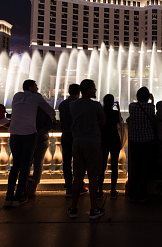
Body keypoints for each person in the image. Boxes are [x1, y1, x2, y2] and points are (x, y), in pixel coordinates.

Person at [5, 80, 56, 208]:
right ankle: (19, 196)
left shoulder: (17, 96)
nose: (37, 88)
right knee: (25, 165)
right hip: (29, 133)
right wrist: (53, 117)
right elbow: (50, 110)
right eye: (35, 86)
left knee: (15, 165)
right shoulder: (35, 98)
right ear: (30, 87)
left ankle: (8, 197)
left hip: (14, 133)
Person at [67, 79, 106, 220]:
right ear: (88, 89)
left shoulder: (73, 104)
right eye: (94, 88)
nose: (95, 90)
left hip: (77, 142)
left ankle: (73, 208)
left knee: (77, 176)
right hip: (92, 142)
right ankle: (94, 209)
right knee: (93, 176)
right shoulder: (95, 105)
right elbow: (103, 121)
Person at [127, 87, 155, 203]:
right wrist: (152, 101)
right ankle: (142, 193)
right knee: (144, 168)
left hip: (134, 141)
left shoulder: (131, 107)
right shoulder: (151, 107)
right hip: (147, 141)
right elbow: (152, 115)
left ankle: (132, 193)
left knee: (134, 167)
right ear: (148, 97)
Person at [58, 83, 84, 197]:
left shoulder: (62, 104)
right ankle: (79, 186)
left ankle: (68, 187)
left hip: (65, 135)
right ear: (79, 92)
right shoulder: (79, 104)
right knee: (79, 162)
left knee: (67, 162)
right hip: (77, 136)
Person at [26, 104, 54, 198]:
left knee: (27, 163)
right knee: (38, 164)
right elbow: (50, 126)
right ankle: (33, 189)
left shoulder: (28, 111)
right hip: (42, 138)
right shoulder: (44, 112)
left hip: (29, 137)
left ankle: (24, 186)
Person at [98, 94, 122, 199]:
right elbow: (120, 122)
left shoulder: (101, 113)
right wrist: (118, 109)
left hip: (103, 140)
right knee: (114, 166)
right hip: (114, 140)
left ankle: (100, 190)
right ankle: (113, 190)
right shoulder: (115, 113)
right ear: (113, 102)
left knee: (102, 165)